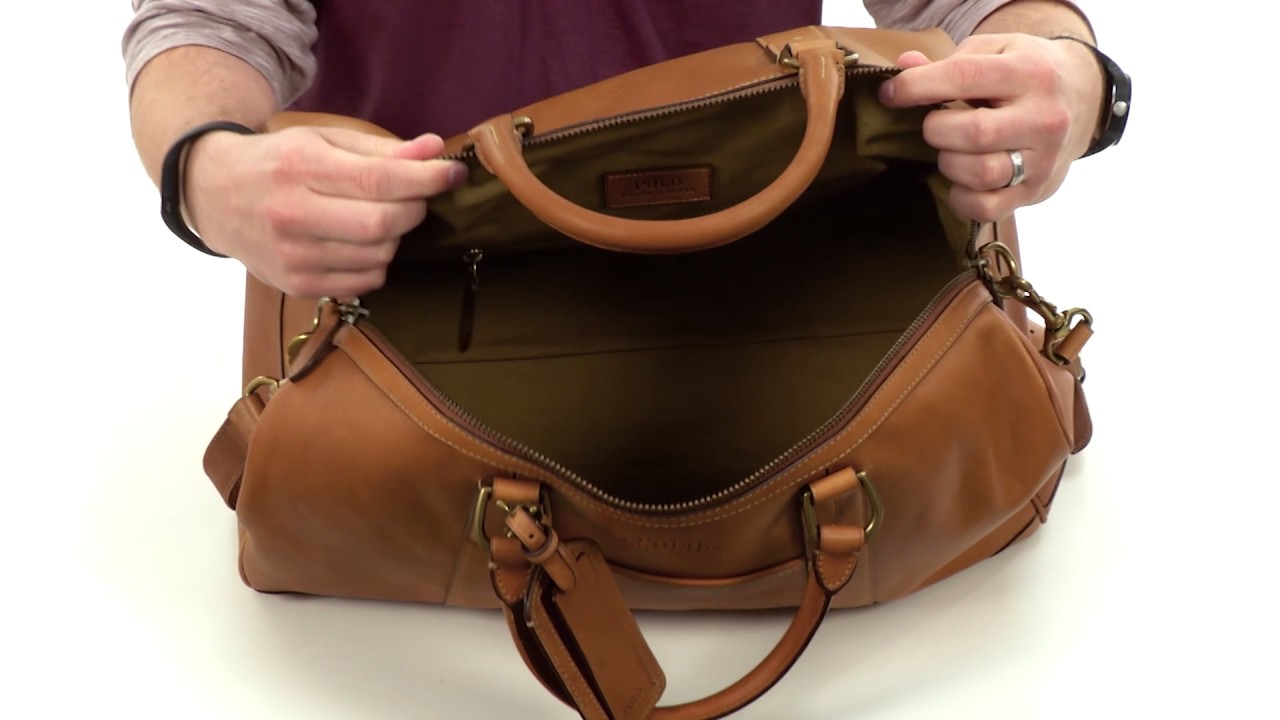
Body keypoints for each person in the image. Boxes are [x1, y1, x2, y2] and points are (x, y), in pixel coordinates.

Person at [123, 1, 1120, 300]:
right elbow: (206, 23)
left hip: (776, 292)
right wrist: (204, 171)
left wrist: (1072, 76)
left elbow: (981, 5)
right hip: (411, 300)